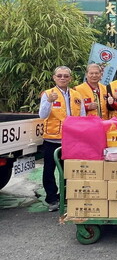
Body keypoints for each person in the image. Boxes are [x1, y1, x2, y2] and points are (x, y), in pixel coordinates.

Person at [39, 66, 85, 212]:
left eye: (66, 76)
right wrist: (48, 102)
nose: (63, 78)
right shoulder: (48, 94)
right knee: (49, 170)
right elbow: (42, 115)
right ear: (54, 77)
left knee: (69, 170)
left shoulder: (77, 95)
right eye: (59, 76)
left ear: (70, 78)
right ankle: (51, 198)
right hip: (52, 139)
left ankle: (66, 196)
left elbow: (82, 117)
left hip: (71, 140)